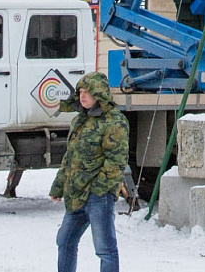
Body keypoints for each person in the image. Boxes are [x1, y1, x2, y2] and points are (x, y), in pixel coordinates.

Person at [50, 71, 129, 272]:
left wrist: (99, 190)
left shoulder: (114, 122)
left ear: (100, 93)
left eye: (88, 92)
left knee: (105, 248)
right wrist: (58, 187)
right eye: (81, 91)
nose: (83, 96)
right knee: (65, 240)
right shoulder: (79, 121)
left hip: (97, 196)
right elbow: (70, 158)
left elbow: (116, 161)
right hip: (76, 194)